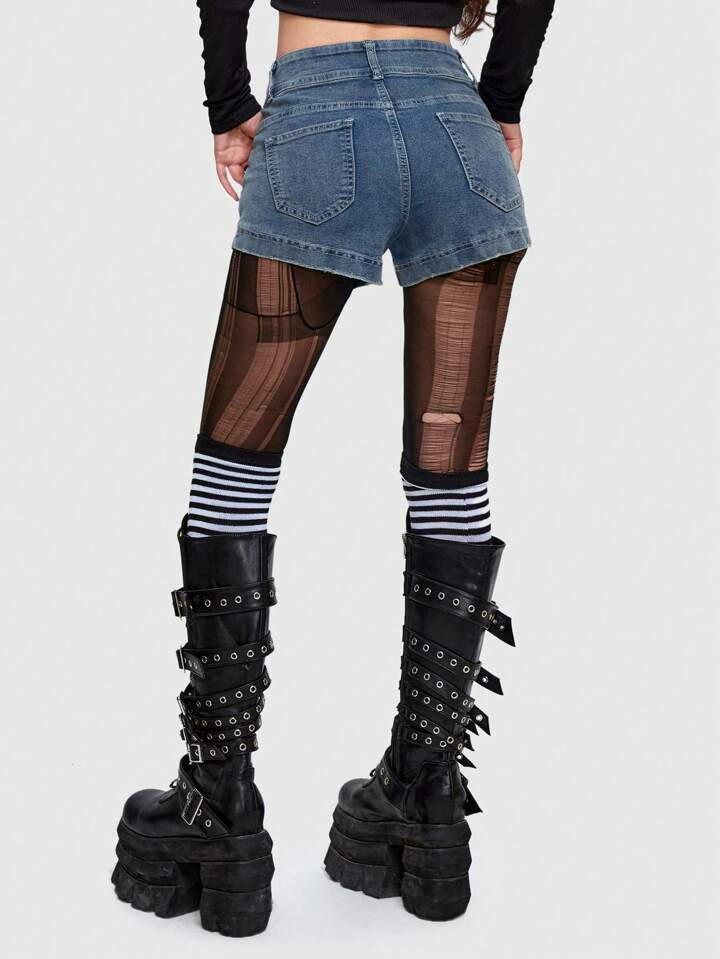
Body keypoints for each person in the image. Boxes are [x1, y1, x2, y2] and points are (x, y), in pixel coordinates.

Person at [112, 0, 555, 937]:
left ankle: (218, 803)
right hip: (458, 133)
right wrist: (503, 103)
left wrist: (227, 104)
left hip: (317, 121)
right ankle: (424, 799)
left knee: (235, 466)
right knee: (452, 475)